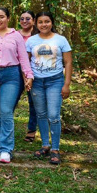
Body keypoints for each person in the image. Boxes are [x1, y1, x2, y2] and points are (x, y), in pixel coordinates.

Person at [0, 7, 33, 164]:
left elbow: (23, 58)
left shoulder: (15, 35)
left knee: (6, 111)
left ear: (8, 18)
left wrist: (28, 76)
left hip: (11, 75)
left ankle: (6, 148)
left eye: (2, 16)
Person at [25, 11, 72, 166]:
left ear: (52, 22)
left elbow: (68, 62)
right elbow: (26, 63)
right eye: (40, 22)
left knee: (53, 115)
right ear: (36, 24)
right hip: (37, 82)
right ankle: (45, 145)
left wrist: (66, 84)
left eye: (47, 21)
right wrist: (28, 79)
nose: (44, 24)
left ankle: (55, 149)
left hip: (55, 81)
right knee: (41, 114)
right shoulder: (31, 41)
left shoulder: (61, 40)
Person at [18, 10, 38, 143]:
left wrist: (29, 75)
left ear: (34, 21)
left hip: (33, 73)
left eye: (28, 19)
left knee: (33, 102)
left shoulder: (38, 36)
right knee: (11, 101)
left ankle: (31, 130)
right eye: (22, 18)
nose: (24, 21)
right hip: (15, 72)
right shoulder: (14, 34)